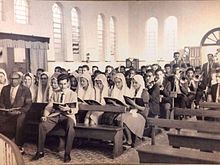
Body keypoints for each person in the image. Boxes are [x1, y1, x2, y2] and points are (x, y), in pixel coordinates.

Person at [32, 73, 78, 162]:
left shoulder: (72, 94)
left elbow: (75, 109)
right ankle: (40, 151)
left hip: (68, 115)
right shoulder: (55, 93)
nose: (63, 86)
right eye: (60, 84)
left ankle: (67, 153)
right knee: (42, 125)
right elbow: (49, 106)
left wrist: (68, 109)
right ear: (58, 83)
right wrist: (45, 116)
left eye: (64, 84)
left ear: (68, 83)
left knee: (70, 127)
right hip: (56, 115)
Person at [0, 71, 32, 153]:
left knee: (20, 120)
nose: (13, 81)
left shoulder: (25, 90)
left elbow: (28, 104)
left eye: (15, 79)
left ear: (20, 79)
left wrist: (20, 111)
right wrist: (4, 109)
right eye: (12, 79)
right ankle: (3, 143)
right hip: (7, 112)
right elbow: (1, 102)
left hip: (19, 113)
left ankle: (18, 145)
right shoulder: (5, 89)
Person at [121, 74, 149, 147]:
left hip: (142, 114)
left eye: (136, 83)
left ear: (140, 83)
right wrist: (128, 104)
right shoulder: (133, 91)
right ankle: (125, 138)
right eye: (133, 82)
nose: (134, 84)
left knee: (126, 120)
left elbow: (144, 108)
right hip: (133, 111)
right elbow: (132, 105)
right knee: (120, 117)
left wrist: (134, 104)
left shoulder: (144, 92)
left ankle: (129, 140)